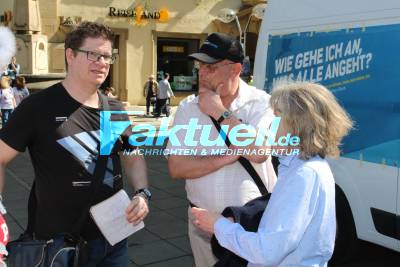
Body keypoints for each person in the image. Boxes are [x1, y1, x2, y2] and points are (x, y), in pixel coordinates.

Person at [0, 21, 150, 266]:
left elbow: (132, 154)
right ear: (70, 55)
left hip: (114, 240)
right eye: (93, 54)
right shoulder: (38, 107)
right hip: (59, 245)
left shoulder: (114, 108)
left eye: (107, 56)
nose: (102, 63)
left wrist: (143, 193)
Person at [191, 82, 353, 267]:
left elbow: (267, 251)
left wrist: (218, 225)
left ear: (296, 124)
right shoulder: (301, 167)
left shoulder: (304, 174)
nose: (268, 126)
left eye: (276, 117)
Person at [167, 32, 277, 267]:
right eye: (200, 66)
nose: (202, 73)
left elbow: (259, 152)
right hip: (202, 224)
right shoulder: (188, 108)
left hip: (249, 224)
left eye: (211, 67)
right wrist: (224, 158)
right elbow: (176, 167)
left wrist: (220, 112)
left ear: (235, 69)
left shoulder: (261, 103)